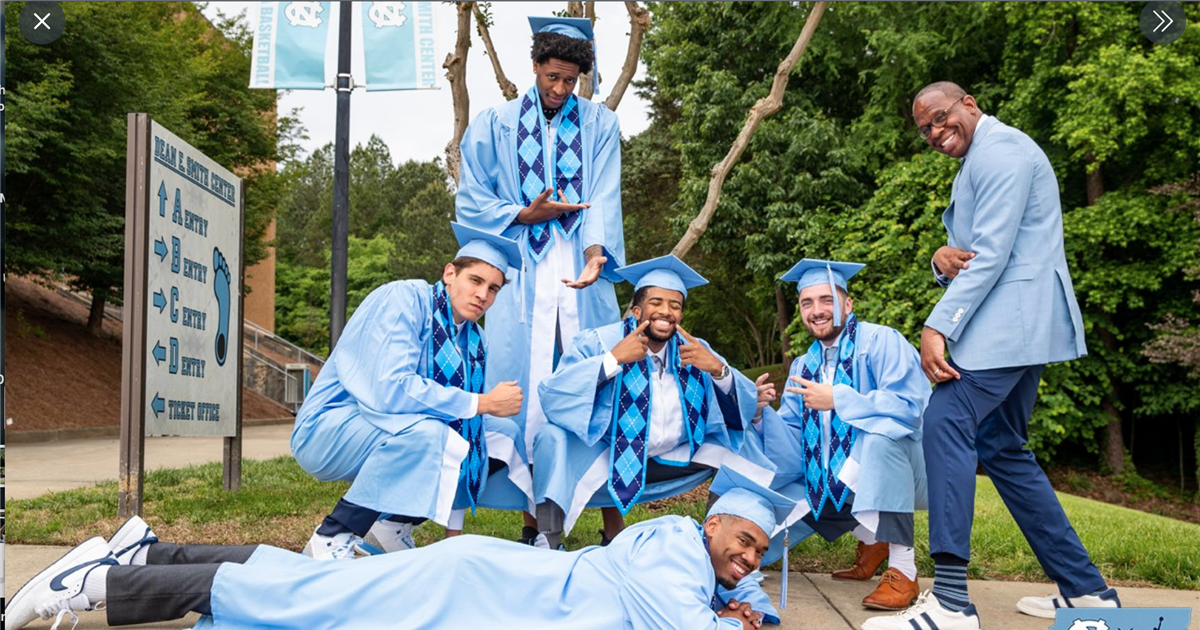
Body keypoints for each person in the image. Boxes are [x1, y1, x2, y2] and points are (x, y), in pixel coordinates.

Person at [863, 81, 1119, 630]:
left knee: (944, 420)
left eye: (939, 117)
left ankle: (951, 602)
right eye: (924, 129)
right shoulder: (985, 155)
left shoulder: (1001, 150)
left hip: (1010, 320)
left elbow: (995, 251)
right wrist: (938, 257)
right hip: (1022, 323)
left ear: (969, 105)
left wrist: (937, 325)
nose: (934, 132)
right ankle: (1088, 594)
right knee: (1002, 446)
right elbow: (975, 248)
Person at [5, 471, 796, 630]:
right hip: (472, 590)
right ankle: (95, 586)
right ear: (714, 524)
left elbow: (748, 607)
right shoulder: (671, 554)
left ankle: (149, 554)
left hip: (482, 592)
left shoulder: (691, 561)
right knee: (302, 603)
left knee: (308, 587)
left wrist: (742, 602)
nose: (749, 559)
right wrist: (733, 618)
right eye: (745, 541)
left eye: (760, 551)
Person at [454, 17, 627, 546]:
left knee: (599, 383)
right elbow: (471, 198)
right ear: (534, 67)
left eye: (570, 80)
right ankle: (534, 525)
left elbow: (603, 194)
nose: (559, 89)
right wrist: (524, 214)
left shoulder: (599, 125)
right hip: (520, 272)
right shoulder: (493, 123)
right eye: (552, 77)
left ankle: (612, 525)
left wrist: (597, 254)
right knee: (523, 391)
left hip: (578, 271)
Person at [289, 224, 535, 560]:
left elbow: (461, 419)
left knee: (497, 436)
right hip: (331, 427)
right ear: (450, 273)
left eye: (493, 289)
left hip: (386, 431)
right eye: (475, 281)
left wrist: (482, 410)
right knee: (432, 434)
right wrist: (482, 402)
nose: (483, 295)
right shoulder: (406, 299)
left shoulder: (474, 338)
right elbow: (392, 388)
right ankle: (333, 535)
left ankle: (393, 523)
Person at [751, 259, 930, 613]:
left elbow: (910, 407)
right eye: (807, 303)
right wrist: (759, 414)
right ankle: (872, 539)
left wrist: (839, 399)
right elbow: (790, 438)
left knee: (880, 437)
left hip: (905, 468)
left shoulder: (882, 341)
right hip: (839, 480)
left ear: (848, 304)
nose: (817, 311)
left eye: (826, 300)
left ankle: (903, 570)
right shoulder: (803, 365)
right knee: (760, 534)